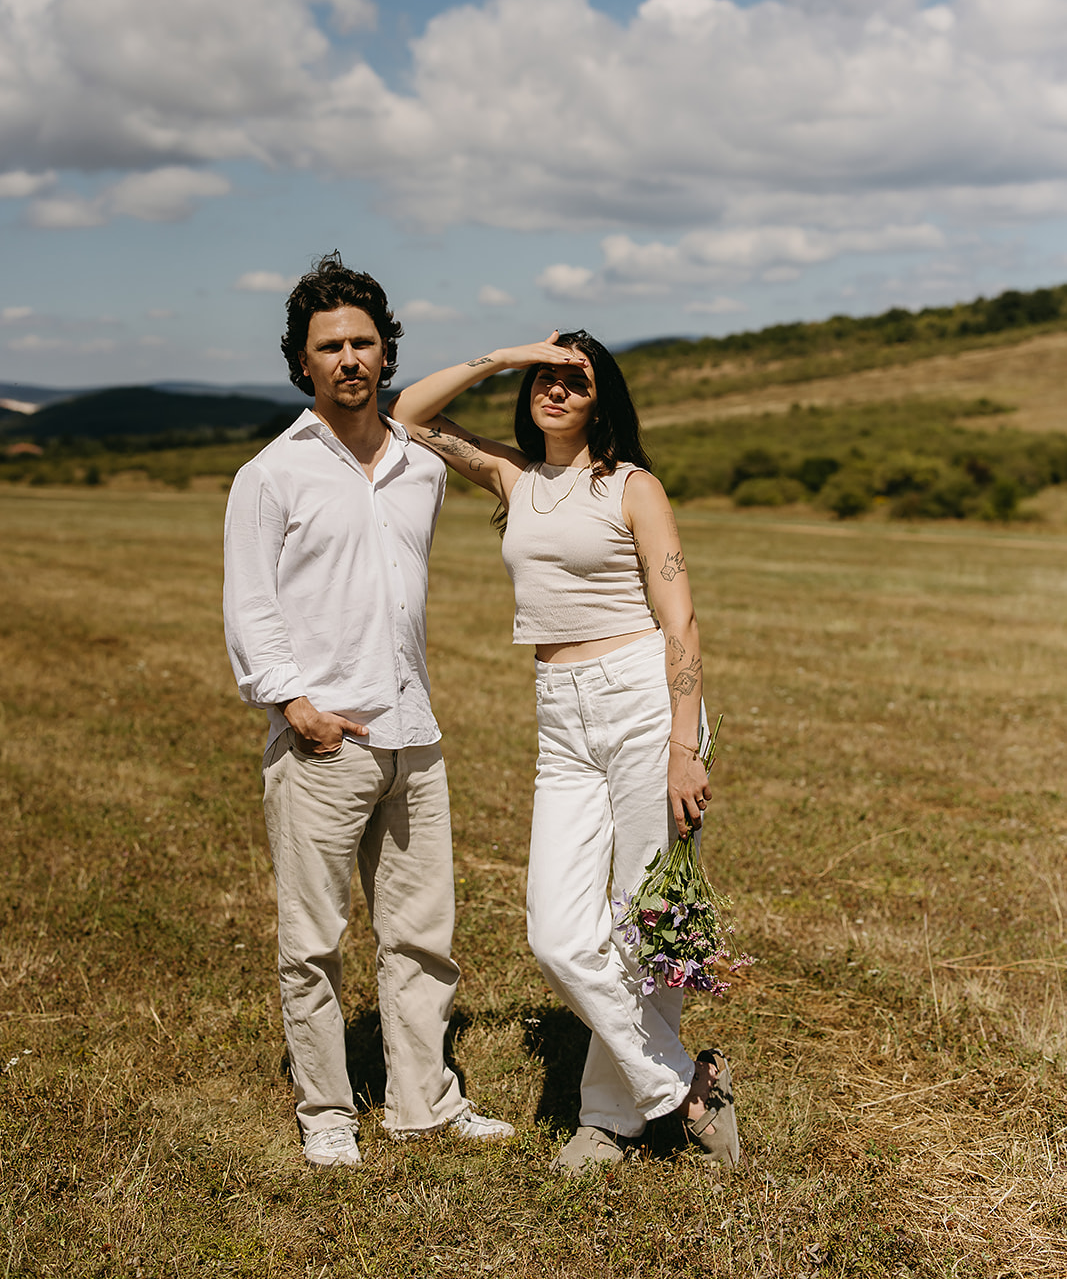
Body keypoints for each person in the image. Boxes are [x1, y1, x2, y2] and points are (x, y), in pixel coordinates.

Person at [390, 330, 738, 1175]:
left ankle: (605, 1120)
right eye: (544, 377)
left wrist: (684, 744)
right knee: (554, 931)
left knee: (638, 920)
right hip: (559, 713)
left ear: (600, 399)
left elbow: (679, 617)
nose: (554, 389)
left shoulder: (630, 486)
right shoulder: (513, 476)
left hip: (638, 698)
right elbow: (408, 415)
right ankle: (686, 1085)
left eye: (574, 381)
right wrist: (503, 357)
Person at [222, 253, 513, 1169]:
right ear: (302, 362)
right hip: (322, 741)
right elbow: (249, 605)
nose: (348, 358)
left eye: (362, 342)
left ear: (386, 354)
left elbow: (519, 480)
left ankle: (423, 1103)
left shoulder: (418, 459)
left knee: (422, 936)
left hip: (413, 735)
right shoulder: (271, 473)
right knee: (312, 944)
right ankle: (327, 1112)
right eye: (329, 346)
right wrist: (294, 706)